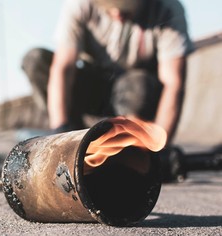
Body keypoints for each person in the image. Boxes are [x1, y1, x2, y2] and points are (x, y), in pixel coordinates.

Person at [22, 0, 193, 144]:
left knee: (138, 84)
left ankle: (127, 141)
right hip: (93, 88)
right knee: (35, 60)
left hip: (134, 94)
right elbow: (64, 68)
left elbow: (173, 83)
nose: (117, 12)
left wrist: (161, 146)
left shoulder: (167, 9)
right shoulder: (80, 5)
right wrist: (61, 132)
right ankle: (76, 132)